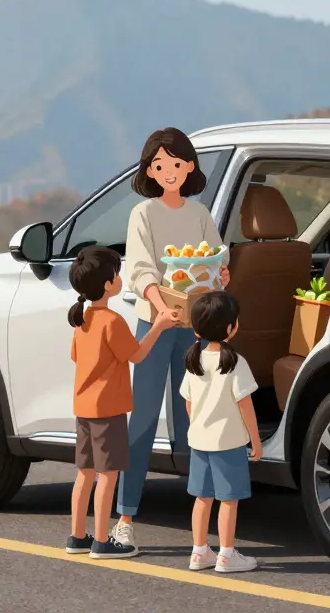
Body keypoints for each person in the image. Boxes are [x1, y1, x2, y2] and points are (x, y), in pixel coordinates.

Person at [114, 127, 231, 547]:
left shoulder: (199, 214)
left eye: (176, 165)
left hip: (195, 326)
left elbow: (217, 255)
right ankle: (125, 517)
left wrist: (221, 273)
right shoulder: (142, 214)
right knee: (142, 420)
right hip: (155, 324)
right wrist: (158, 303)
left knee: (196, 419)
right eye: (159, 165)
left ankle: (206, 523)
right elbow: (140, 269)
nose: (169, 172)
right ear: (149, 170)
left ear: (190, 168)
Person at [65, 246, 176, 559]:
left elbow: (76, 356)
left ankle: (77, 536)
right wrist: (160, 325)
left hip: (84, 408)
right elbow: (137, 355)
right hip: (107, 410)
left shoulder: (82, 319)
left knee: (85, 473)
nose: (120, 278)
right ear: (106, 285)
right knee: (108, 475)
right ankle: (102, 540)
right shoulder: (112, 322)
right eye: (116, 273)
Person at [179, 291, 261, 574]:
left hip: (199, 441)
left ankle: (199, 551)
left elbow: (188, 403)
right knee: (228, 499)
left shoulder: (194, 361)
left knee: (202, 498)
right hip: (229, 442)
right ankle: (226, 554)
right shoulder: (235, 362)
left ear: (196, 329)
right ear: (231, 327)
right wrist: (255, 440)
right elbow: (245, 405)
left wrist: (198, 426)